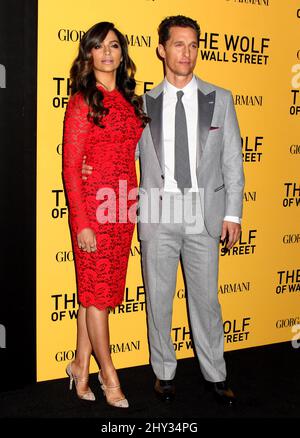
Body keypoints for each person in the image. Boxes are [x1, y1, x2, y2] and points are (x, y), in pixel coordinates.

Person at [83, 15, 244, 407]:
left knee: (206, 300)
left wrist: (233, 214)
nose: (186, 53)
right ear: (162, 49)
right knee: (158, 299)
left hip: (203, 211)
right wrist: (92, 164)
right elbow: (119, 149)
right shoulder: (142, 103)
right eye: (178, 44)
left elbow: (233, 160)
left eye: (192, 45)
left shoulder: (220, 98)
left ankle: (215, 373)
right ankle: (164, 374)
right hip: (158, 210)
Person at [62, 21, 147, 408]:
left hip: (122, 208)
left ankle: (80, 365)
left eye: (114, 45)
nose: (108, 53)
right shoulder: (83, 100)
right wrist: (81, 222)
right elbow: (70, 167)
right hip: (93, 211)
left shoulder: (132, 102)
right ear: (89, 54)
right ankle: (109, 375)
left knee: (97, 295)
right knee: (97, 296)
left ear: (121, 53)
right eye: (100, 47)